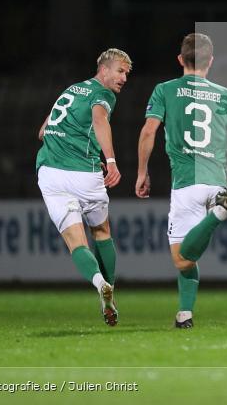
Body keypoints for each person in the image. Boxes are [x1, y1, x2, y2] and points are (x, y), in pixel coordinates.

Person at [135, 33, 227, 329]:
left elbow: (149, 132)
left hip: (187, 182)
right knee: (189, 258)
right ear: (210, 61)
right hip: (215, 181)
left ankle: (220, 212)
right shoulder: (226, 95)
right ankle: (184, 314)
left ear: (180, 60)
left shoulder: (165, 90)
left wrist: (142, 172)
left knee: (181, 259)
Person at [36, 48, 132, 326]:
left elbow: (43, 132)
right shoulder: (104, 95)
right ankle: (110, 290)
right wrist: (111, 160)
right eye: (120, 71)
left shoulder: (72, 89)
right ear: (103, 70)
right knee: (101, 232)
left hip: (51, 174)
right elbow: (99, 120)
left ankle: (99, 282)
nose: (124, 78)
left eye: (127, 73)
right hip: (85, 175)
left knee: (75, 242)